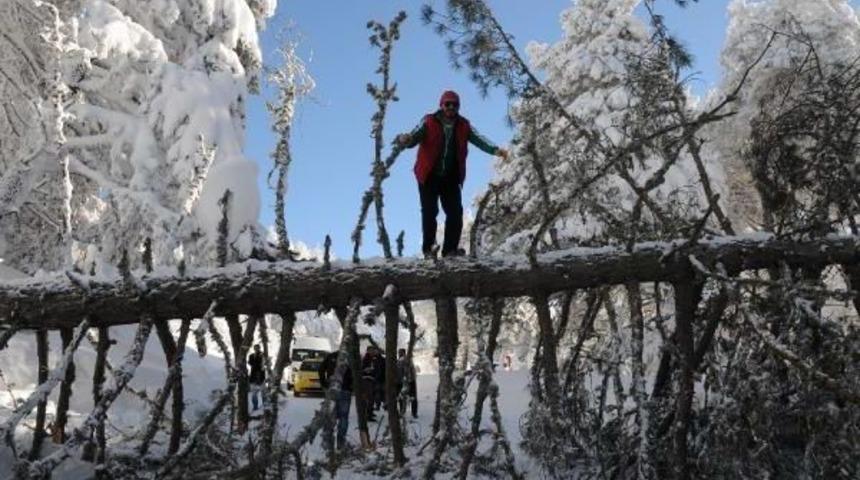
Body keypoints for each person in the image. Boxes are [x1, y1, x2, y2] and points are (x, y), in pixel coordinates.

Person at [397, 90, 508, 258]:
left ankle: (450, 250)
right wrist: (406, 140)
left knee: (455, 212)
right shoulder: (429, 121)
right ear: (441, 105)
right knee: (430, 211)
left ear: (458, 107)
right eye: (447, 104)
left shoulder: (464, 125)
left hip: (450, 176)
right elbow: (414, 136)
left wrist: (495, 150)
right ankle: (429, 249)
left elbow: (479, 139)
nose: (451, 107)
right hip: (428, 174)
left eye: (454, 104)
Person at [319, 350, 353, 450]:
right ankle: (340, 442)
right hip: (345, 390)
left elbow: (321, 369)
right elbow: (357, 373)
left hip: (332, 389)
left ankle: (328, 441)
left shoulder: (331, 356)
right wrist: (352, 386)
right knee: (343, 417)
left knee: (330, 415)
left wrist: (324, 383)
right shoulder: (350, 358)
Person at [361, 345, 386, 420]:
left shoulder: (374, 358)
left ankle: (370, 412)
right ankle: (367, 414)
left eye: (373, 350)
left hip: (373, 379)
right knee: (369, 397)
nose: (373, 352)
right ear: (368, 351)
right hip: (367, 379)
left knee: (372, 397)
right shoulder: (366, 358)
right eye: (371, 350)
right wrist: (367, 370)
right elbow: (363, 369)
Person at [396, 348, 418, 418]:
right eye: (399, 352)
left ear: (404, 353)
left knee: (411, 397)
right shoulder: (399, 361)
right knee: (403, 398)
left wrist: (410, 379)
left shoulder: (406, 360)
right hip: (403, 381)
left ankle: (412, 413)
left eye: (401, 352)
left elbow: (411, 371)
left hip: (408, 381)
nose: (399, 354)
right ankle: (406, 412)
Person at [247, 344, 266, 411]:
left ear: (259, 348)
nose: (256, 349)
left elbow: (263, 364)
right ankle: (255, 407)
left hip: (261, 377)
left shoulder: (263, 355)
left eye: (257, 348)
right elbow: (250, 363)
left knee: (263, 393)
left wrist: (259, 360)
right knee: (254, 394)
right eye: (255, 348)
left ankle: (265, 406)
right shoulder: (251, 356)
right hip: (253, 377)